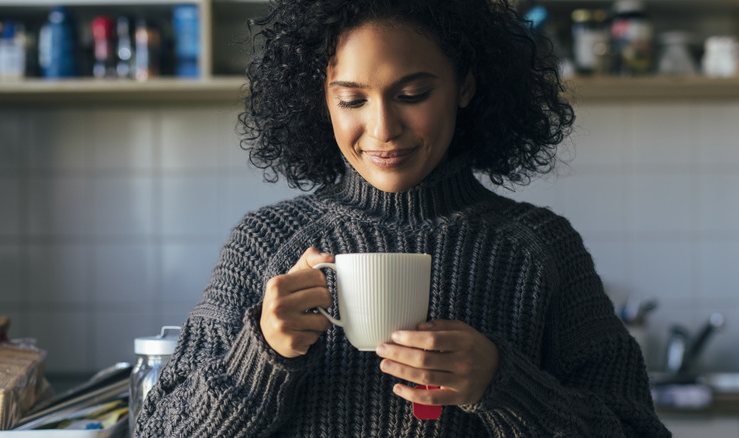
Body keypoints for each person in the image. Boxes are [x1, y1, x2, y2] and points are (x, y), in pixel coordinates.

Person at [136, 0, 671, 436]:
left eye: (412, 94)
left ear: (464, 85)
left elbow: (636, 429)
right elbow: (162, 427)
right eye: (351, 100)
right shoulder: (264, 243)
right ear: (319, 99)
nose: (383, 127)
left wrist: (504, 386)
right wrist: (262, 353)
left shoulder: (541, 247)